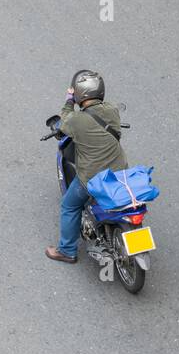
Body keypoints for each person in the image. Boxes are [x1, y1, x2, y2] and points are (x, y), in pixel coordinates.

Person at [45, 69, 128, 264]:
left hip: (92, 178)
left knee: (69, 205)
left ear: (80, 94)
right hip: (120, 172)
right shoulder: (112, 110)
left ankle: (66, 250)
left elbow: (64, 119)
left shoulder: (76, 120)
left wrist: (69, 100)